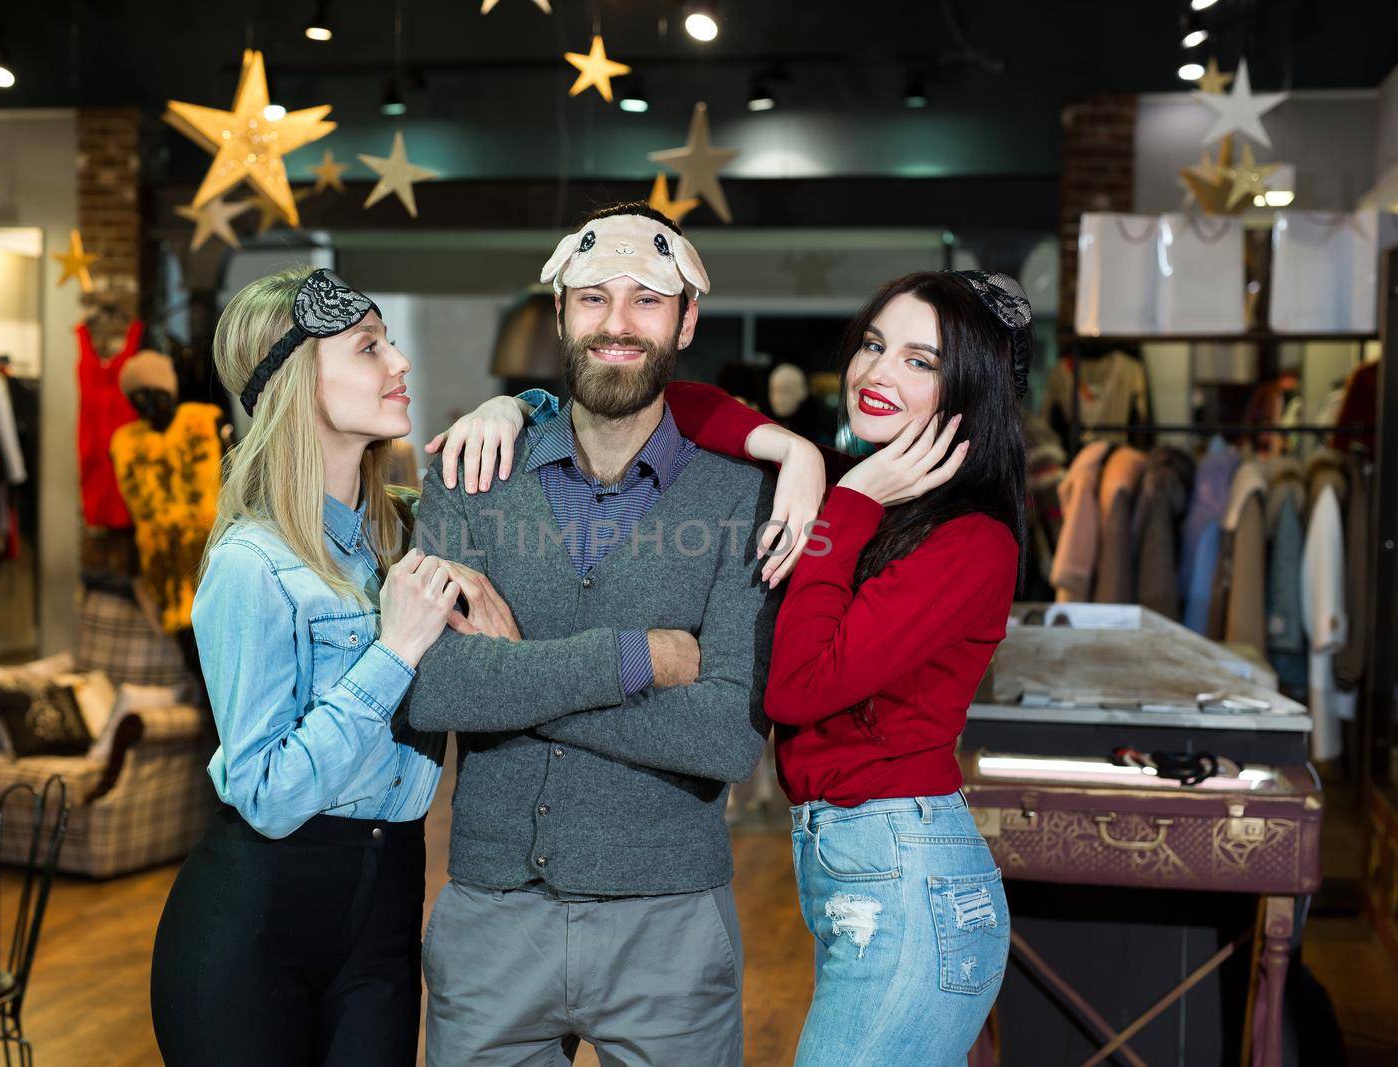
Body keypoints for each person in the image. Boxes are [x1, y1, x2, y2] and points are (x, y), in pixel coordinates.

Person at [454, 268, 1029, 1066]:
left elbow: (796, 689)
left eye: (920, 361)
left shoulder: (969, 540)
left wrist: (848, 498)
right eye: (872, 344)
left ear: (972, 388)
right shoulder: (857, 490)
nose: (877, 371)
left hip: (909, 873)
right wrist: (792, 450)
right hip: (859, 863)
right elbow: (672, 403)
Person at [405, 203, 778, 1066]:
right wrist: (637, 656)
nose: (617, 324)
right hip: (492, 920)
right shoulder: (471, 472)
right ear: (561, 311)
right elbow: (430, 686)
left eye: (647, 300)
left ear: (687, 320)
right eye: (593, 298)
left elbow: (725, 736)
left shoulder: (741, 501)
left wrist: (509, 673)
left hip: (672, 929)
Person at [148, 265, 549, 1067]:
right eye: (369, 348)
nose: (399, 363)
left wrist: (512, 404)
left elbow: (557, 423)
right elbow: (264, 792)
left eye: (391, 344)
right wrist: (395, 649)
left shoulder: (408, 530)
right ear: (299, 382)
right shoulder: (252, 564)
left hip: (387, 912)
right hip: (254, 926)